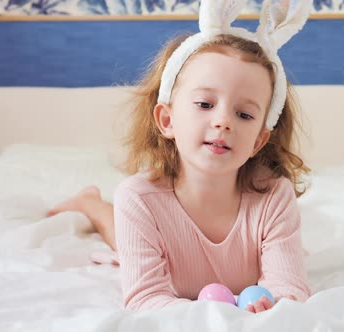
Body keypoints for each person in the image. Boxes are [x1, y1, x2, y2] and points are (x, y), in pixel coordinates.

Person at [47, 0, 312, 314]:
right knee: (117, 231)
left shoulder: (273, 196)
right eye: (204, 104)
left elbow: (290, 288)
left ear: (259, 140)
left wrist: (271, 307)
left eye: (243, 114)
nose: (223, 121)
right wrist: (214, 316)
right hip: (156, 224)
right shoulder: (140, 199)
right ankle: (89, 203)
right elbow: (145, 298)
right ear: (167, 120)